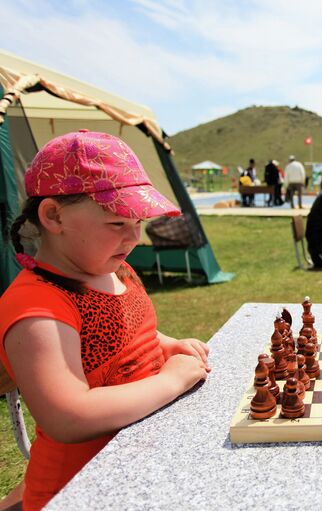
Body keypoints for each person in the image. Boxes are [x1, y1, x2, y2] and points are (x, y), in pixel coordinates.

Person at [0, 131, 211, 511]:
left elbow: (129, 332)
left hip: (139, 464)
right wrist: (171, 379)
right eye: (117, 223)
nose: (133, 237)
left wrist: (166, 344)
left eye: (139, 222)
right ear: (54, 215)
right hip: (81, 488)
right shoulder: (38, 306)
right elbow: (69, 415)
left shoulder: (116, 270)